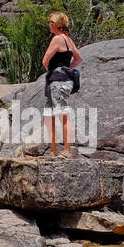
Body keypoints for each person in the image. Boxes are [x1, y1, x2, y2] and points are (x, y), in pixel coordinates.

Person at [41, 12, 81, 156]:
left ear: (55, 24)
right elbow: (78, 58)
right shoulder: (68, 40)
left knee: (60, 116)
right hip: (65, 80)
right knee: (55, 115)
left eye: (50, 22)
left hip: (56, 81)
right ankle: (54, 152)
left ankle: (65, 150)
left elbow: (45, 60)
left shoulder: (57, 39)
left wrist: (53, 70)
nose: (48, 24)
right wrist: (67, 69)